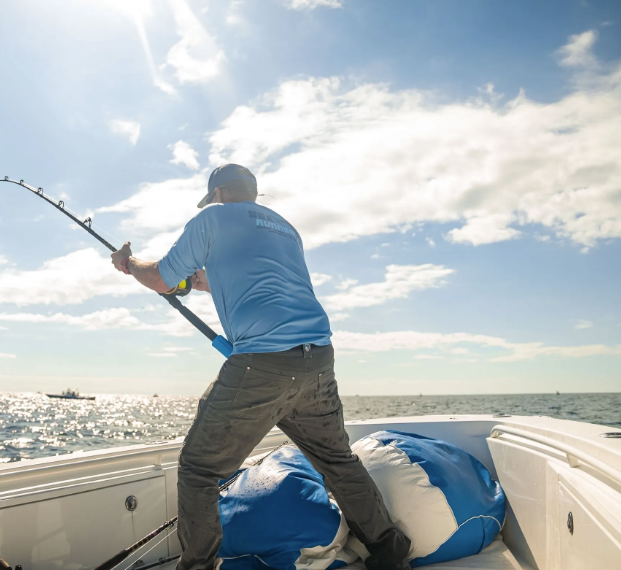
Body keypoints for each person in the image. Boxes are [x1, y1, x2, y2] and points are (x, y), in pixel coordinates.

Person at [110, 164, 411, 570]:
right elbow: (265, 281)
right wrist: (204, 282)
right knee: (338, 461)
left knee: (199, 469)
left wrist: (129, 263)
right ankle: (391, 553)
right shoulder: (285, 228)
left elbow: (162, 278)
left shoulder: (212, 218)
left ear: (217, 194)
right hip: (317, 359)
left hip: (262, 365)